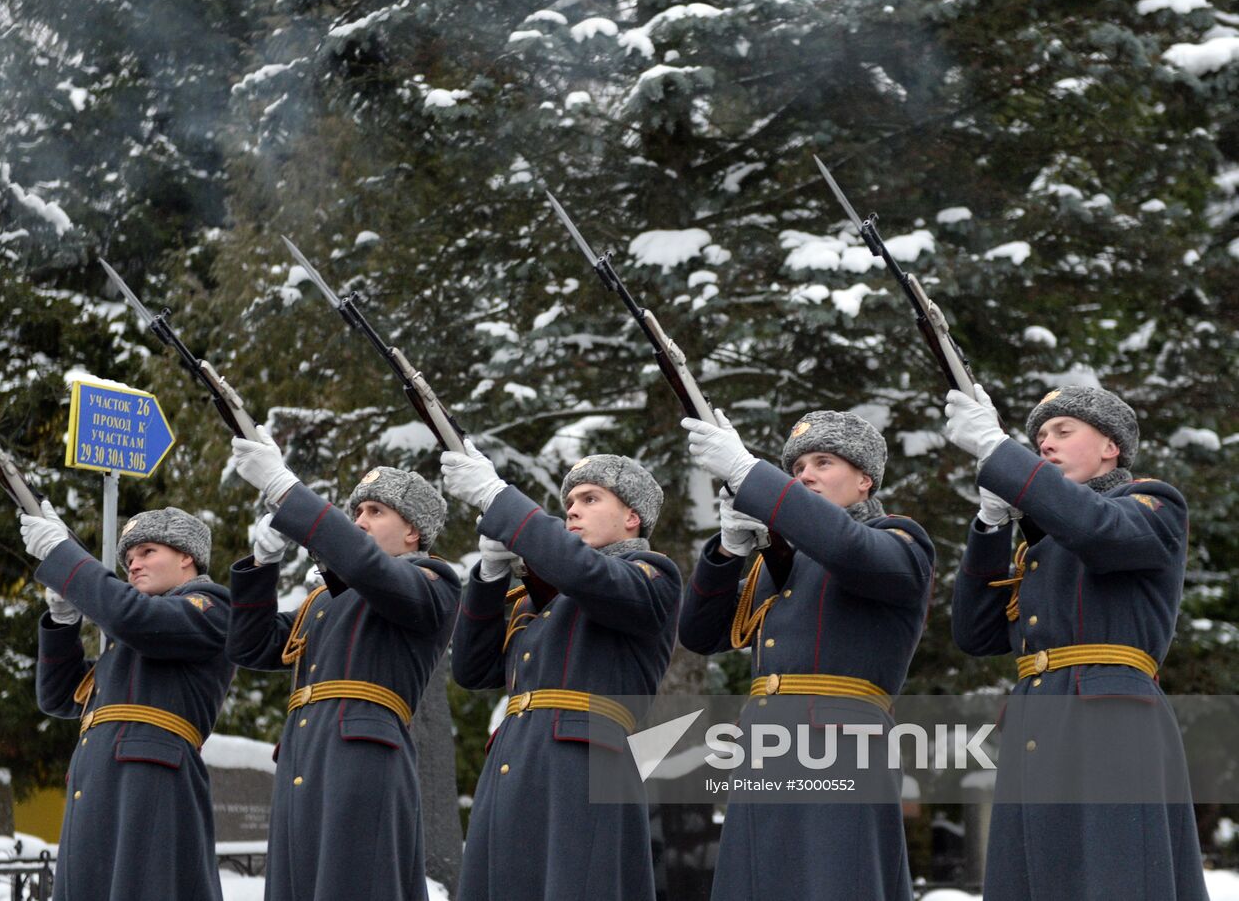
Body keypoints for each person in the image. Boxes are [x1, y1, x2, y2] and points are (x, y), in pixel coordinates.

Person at [945, 384, 1209, 901]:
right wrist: (991, 524)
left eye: (1063, 431)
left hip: (1108, 712)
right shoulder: (1044, 547)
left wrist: (1000, 453)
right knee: (1036, 875)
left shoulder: (1151, 503)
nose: (1045, 443)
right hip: (1038, 717)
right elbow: (975, 633)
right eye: (1039, 436)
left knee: (1116, 873)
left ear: (1111, 446)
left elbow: (1097, 527)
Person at [680, 409, 934, 900]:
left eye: (823, 462)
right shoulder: (782, 564)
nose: (806, 476)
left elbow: (846, 547)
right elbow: (699, 633)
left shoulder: (899, 540)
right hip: (764, 747)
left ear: (865, 480)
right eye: (796, 470)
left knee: (836, 883)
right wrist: (729, 552)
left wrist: (750, 474)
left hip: (840, 747)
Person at [441, 443, 682, 901]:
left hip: (583, 769)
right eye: (569, 502)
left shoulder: (650, 573)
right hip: (515, 765)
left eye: (591, 499)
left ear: (632, 517)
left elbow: (587, 574)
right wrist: (490, 575)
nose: (572, 510)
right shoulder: (542, 600)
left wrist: (499, 498)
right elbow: (472, 669)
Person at [229, 431, 460, 901]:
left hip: (362, 761)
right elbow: (250, 646)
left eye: (376, 512)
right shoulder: (324, 602)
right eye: (357, 512)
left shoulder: (432, 581)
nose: (360, 521)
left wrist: (283, 487)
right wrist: (263, 563)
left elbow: (370, 568)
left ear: (413, 531)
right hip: (305, 757)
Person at [23, 503, 234, 901]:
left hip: (149, 788)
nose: (133, 565)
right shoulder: (132, 638)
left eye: (147, 552)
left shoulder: (210, 607)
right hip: (102, 786)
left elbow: (132, 618)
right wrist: (63, 621)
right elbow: (58, 695)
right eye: (129, 559)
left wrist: (62, 556)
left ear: (186, 555)